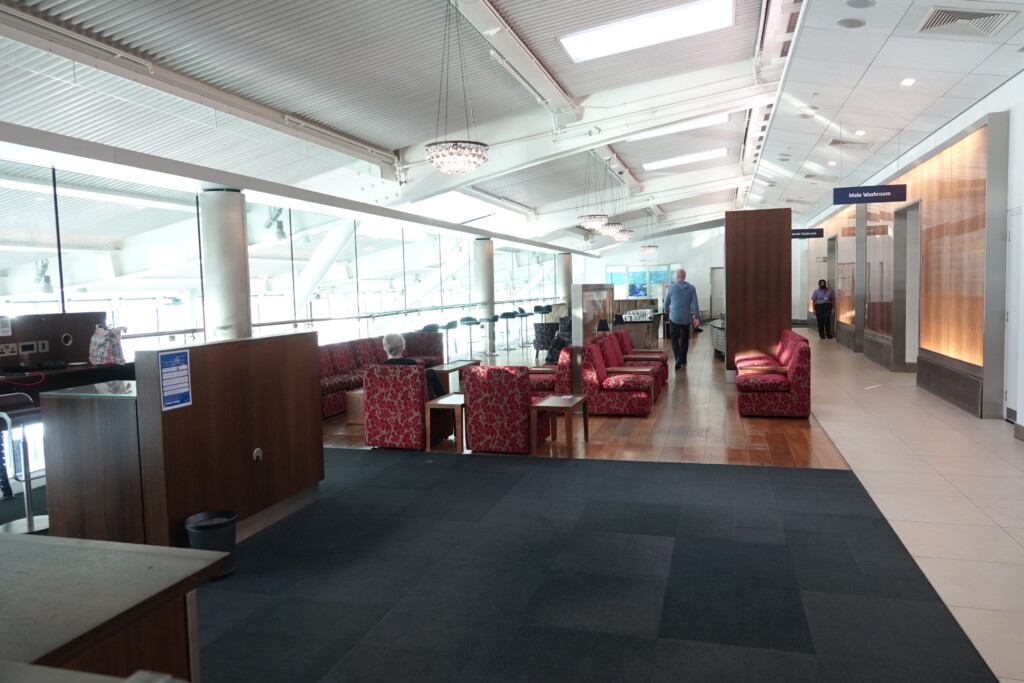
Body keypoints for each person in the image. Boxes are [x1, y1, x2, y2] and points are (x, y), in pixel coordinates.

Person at [379, 333, 445, 399]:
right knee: (431, 373)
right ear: (403, 346)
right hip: (412, 399)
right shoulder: (411, 363)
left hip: (390, 400)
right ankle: (445, 402)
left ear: (384, 347)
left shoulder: (379, 367)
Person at [663, 268, 701, 370]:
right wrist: (697, 317)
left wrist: (666, 309)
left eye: (674, 275)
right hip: (686, 318)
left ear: (678, 276)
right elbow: (695, 304)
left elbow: (666, 303)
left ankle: (678, 357)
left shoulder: (671, 288)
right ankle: (683, 360)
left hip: (674, 318)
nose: (674, 277)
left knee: (674, 338)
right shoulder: (692, 288)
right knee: (684, 339)